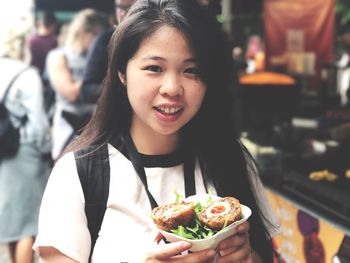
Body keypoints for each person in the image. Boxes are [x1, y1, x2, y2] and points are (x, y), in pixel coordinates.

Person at [33, 0, 279, 262]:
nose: (172, 88)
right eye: (154, 68)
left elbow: (268, 256)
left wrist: (249, 257)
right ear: (122, 72)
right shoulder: (78, 174)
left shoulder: (230, 159)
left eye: (191, 70)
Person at [0, 27, 52, 263]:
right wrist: (47, 149)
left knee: (13, 219)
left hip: (4, 151)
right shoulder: (27, 74)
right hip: (26, 151)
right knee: (29, 224)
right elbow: (39, 123)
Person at [45, 9, 110, 160]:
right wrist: (94, 78)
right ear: (83, 33)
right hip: (68, 127)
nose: (100, 41)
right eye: (96, 35)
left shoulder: (100, 60)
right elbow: (71, 92)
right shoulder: (59, 56)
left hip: (96, 126)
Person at [79, 0, 136, 103]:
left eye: (129, 7)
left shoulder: (158, 38)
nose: (123, 14)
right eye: (120, 8)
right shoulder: (105, 39)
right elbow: (86, 89)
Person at [28, 10, 58, 76]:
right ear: (53, 25)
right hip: (47, 77)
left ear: (40, 23)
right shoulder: (53, 42)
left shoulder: (31, 39)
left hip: (30, 74)